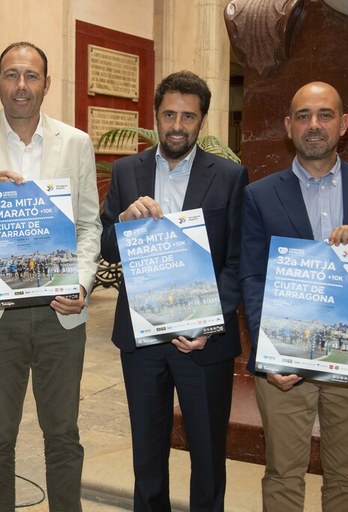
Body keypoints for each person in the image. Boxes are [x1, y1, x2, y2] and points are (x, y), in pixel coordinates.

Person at [0, 41, 101, 511]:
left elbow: (89, 226)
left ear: (47, 84)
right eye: (12, 75)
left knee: (63, 433)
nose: (21, 85)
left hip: (60, 312)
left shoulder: (76, 143)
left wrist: (82, 283)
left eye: (31, 76)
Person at [239, 81, 348, 511]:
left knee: (347, 481)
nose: (314, 125)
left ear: (344, 123)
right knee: (282, 475)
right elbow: (253, 278)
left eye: (325, 114)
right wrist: (271, 353)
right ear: (288, 127)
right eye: (303, 116)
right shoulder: (259, 195)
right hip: (286, 362)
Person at [100, 71, 248, 512]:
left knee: (208, 456)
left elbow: (238, 260)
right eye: (169, 115)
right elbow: (107, 245)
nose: (177, 126)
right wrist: (123, 223)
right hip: (142, 340)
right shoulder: (127, 171)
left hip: (203, 343)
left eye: (188, 116)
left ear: (202, 120)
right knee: (147, 456)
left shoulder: (229, 176)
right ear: (156, 116)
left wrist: (209, 322)